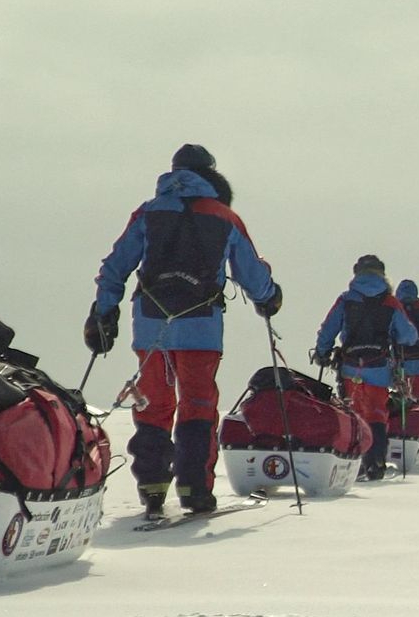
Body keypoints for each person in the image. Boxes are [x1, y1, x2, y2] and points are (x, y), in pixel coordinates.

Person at [84, 143, 282, 518]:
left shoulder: (147, 212)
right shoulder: (224, 216)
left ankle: (153, 485)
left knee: (153, 404)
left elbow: (115, 265)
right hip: (200, 327)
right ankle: (194, 489)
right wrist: (269, 297)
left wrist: (103, 311)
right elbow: (251, 273)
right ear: (211, 175)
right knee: (199, 405)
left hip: (149, 323)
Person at [312, 254, 418, 480]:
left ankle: (356, 461)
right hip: (379, 367)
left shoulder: (346, 299)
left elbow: (328, 329)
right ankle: (376, 461)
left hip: (350, 366)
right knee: (377, 414)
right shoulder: (390, 302)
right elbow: (408, 335)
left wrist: (322, 352)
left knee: (354, 412)